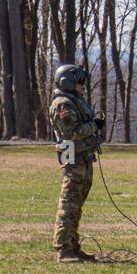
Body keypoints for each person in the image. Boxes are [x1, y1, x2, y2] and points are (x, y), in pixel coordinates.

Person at [49, 64, 106, 262]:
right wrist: (94, 126)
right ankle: (64, 249)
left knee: (77, 204)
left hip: (83, 157)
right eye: (79, 82)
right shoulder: (63, 104)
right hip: (73, 158)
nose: (82, 86)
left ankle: (73, 246)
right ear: (69, 82)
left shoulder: (74, 101)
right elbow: (71, 133)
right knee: (68, 204)